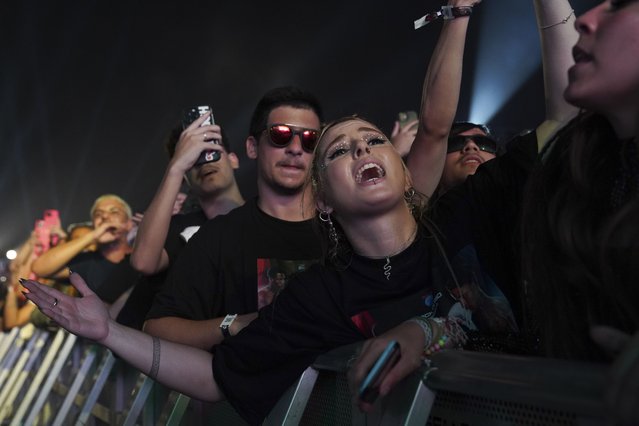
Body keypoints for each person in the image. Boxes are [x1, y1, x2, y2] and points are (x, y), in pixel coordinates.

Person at [21, 114, 513, 424]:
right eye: (340, 150)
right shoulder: (318, 292)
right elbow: (217, 376)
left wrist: (428, 330)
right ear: (321, 197)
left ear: (404, 169)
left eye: (374, 139)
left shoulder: (472, 215)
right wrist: (107, 332)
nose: (362, 149)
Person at [351, 0, 639, 419]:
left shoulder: (539, 184)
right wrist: (426, 329)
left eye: (485, 144)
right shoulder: (581, 174)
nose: (471, 147)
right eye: (458, 142)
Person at [142, 86, 325, 350]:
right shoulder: (216, 237)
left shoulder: (346, 229)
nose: (296, 148)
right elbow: (156, 327)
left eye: (310, 140)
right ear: (252, 147)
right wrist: (234, 324)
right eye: (280, 135)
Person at [116, 119, 244, 329]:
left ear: (234, 160)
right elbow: (143, 262)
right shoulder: (180, 228)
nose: (204, 162)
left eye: (212, 151)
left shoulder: (263, 220)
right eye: (193, 159)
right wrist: (175, 167)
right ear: (185, 177)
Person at [31, 194, 137, 304]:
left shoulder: (142, 258)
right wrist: (92, 237)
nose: (105, 217)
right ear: (94, 225)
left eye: (114, 211)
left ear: (129, 224)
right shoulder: (88, 261)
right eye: (98, 214)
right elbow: (39, 268)